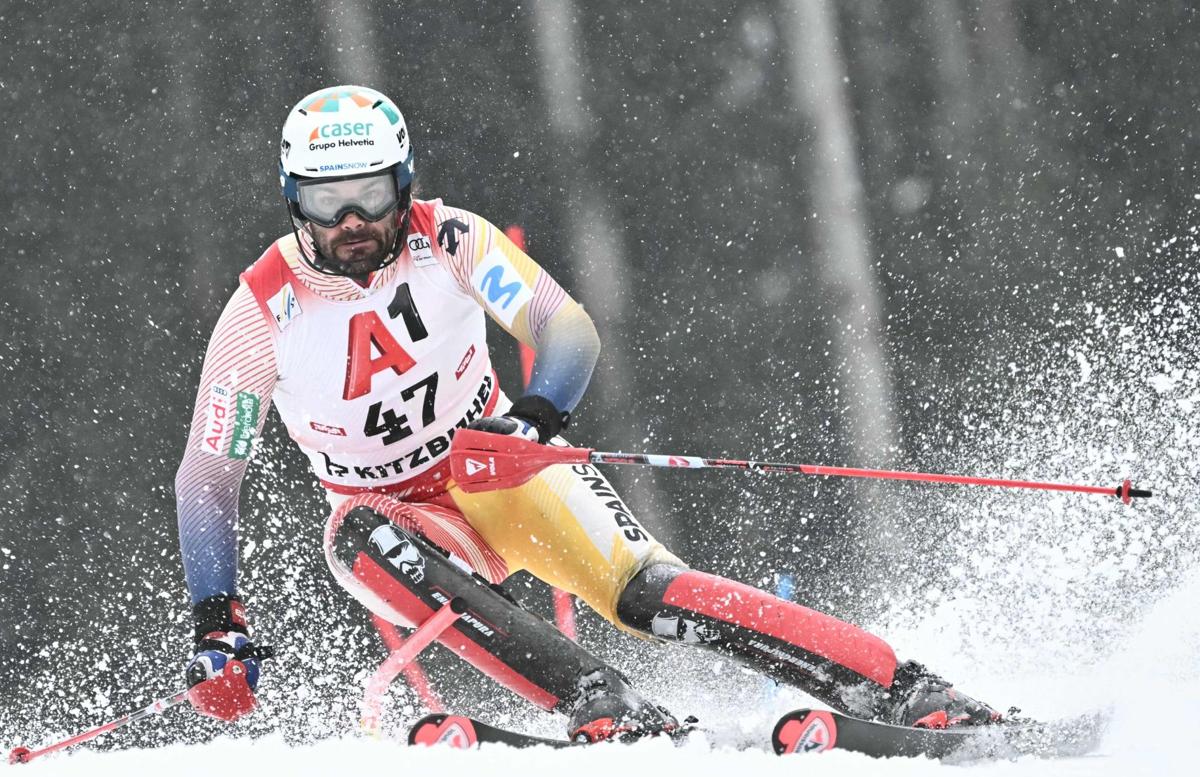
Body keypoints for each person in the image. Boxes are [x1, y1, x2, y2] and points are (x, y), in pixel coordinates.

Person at [176, 85, 1002, 742]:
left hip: (498, 469)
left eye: (371, 194)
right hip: (394, 515)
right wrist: (220, 623)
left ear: (406, 183)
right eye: (328, 203)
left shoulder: (451, 239)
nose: (353, 223)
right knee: (358, 539)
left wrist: (534, 418)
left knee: (648, 594)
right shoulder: (261, 311)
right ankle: (598, 699)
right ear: (294, 201)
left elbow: (562, 325)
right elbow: (209, 477)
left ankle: (898, 684)